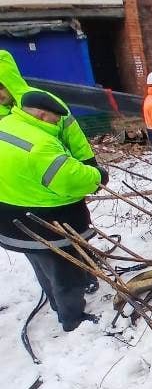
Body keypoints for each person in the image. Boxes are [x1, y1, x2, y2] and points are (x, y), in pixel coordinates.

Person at [0, 91, 108, 331]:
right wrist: (98, 176)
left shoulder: (5, 125)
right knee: (64, 271)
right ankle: (72, 317)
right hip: (47, 222)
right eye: (54, 118)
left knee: (41, 265)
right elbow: (71, 179)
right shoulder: (40, 144)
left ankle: (57, 304)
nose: (58, 123)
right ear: (40, 114)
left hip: (11, 217)